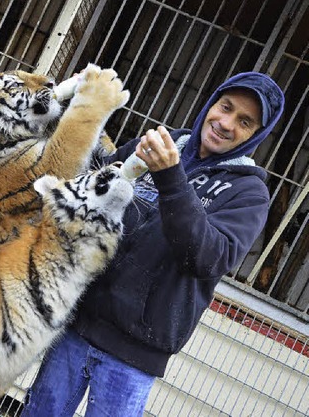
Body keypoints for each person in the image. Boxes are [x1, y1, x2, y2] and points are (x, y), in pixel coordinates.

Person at [21, 71, 285, 416]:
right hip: (78, 325)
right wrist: (81, 115)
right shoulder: (164, 142)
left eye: (244, 121)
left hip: (135, 355)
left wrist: (171, 177)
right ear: (212, 102)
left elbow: (206, 258)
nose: (225, 123)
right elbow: (98, 182)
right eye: (225, 107)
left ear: (256, 135)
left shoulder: (247, 193)